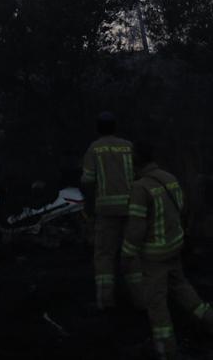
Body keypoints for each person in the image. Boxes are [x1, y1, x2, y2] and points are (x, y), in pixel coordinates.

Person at [120, 142, 213, 360]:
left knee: (156, 303)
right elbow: (182, 209)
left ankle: (167, 351)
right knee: (181, 286)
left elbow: (136, 228)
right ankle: (210, 320)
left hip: (154, 256)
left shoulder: (140, 188)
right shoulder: (169, 178)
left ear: (136, 162)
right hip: (175, 247)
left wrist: (128, 253)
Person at [80, 111, 135, 310]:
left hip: (105, 210)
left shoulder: (94, 148)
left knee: (104, 255)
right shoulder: (128, 147)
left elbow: (87, 179)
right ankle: (140, 298)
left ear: (98, 128)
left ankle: (105, 301)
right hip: (131, 207)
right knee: (131, 253)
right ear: (115, 127)